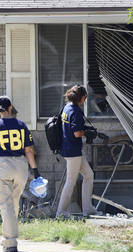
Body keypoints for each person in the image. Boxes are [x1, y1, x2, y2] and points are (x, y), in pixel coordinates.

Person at [0, 96, 40, 252]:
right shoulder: (22, 125)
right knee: (14, 202)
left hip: (3, 165)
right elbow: (29, 150)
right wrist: (35, 171)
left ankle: (10, 242)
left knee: (5, 205)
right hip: (21, 165)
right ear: (11, 107)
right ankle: (10, 238)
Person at [56, 85, 98, 218]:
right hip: (73, 151)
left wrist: (85, 130)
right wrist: (87, 132)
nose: (85, 100)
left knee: (89, 175)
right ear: (82, 97)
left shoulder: (66, 108)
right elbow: (77, 133)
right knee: (70, 182)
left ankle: (88, 209)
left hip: (70, 149)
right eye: (85, 97)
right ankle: (61, 213)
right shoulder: (75, 110)